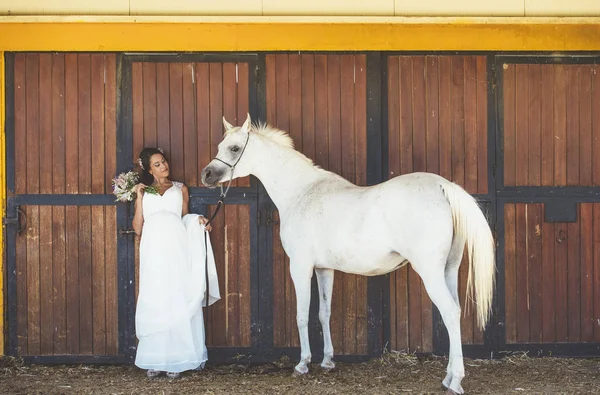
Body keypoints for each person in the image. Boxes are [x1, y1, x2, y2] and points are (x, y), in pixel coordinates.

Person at [132, 147, 220, 379]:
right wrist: (139, 199)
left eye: (164, 161)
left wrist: (198, 220)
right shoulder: (144, 191)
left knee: (176, 295)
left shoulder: (180, 189)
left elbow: (184, 218)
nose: (164, 166)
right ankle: (155, 358)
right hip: (152, 249)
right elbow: (138, 228)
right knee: (156, 296)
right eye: (158, 164)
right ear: (149, 169)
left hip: (176, 247)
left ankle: (178, 358)